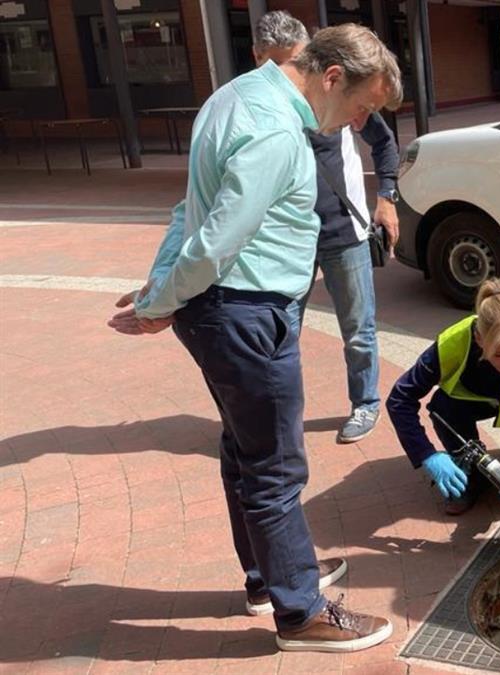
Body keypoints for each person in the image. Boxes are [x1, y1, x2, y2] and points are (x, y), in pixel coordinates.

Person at [107, 24, 404, 653]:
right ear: (331, 78)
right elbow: (214, 237)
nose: (358, 123)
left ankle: (270, 576)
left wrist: (164, 288)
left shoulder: (237, 95)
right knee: (274, 464)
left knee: (246, 451)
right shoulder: (274, 131)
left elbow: (189, 209)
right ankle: (301, 613)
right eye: (362, 107)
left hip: (229, 310)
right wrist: (161, 301)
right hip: (244, 312)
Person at [252, 11, 401, 444]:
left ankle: (366, 403)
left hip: (343, 236)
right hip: (288, 240)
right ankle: (281, 418)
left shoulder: (338, 97)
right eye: (271, 62)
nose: (285, 72)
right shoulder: (260, 104)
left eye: (292, 60)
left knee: (358, 330)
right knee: (283, 334)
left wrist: (386, 199)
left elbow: (385, 144)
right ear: (257, 56)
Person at [386, 279, 500, 515]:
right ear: (479, 339)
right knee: (444, 406)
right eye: (499, 354)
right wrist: (426, 455)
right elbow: (399, 399)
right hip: (473, 402)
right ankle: (471, 469)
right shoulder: (453, 342)